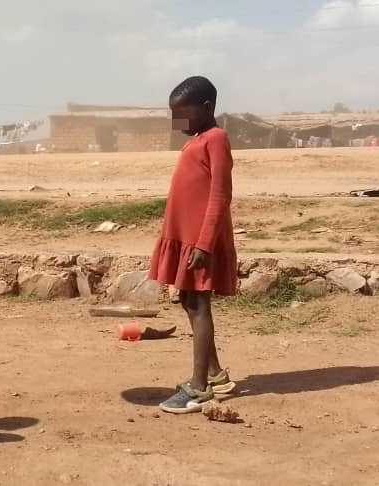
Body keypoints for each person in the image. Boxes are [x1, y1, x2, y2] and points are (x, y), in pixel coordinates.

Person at [149, 75, 237, 414]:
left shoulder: (216, 138)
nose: (177, 123)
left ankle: (199, 388)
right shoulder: (199, 139)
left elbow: (219, 195)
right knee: (189, 302)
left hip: (201, 241)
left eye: (182, 114)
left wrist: (204, 244)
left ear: (206, 108)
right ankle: (216, 375)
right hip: (186, 239)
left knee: (199, 307)